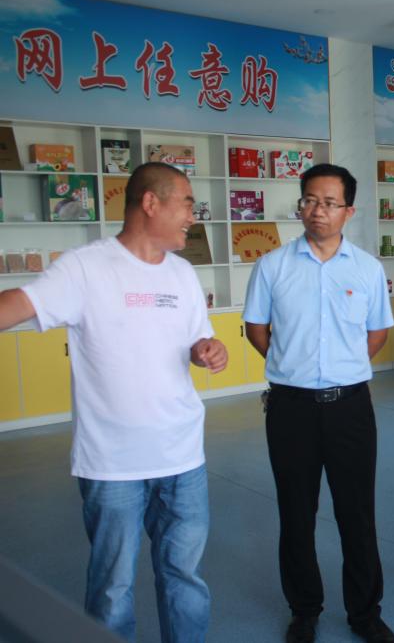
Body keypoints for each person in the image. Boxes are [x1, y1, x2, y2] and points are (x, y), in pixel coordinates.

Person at [0, 162, 227, 642]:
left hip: (183, 458)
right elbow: (17, 305)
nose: (193, 216)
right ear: (151, 202)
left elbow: (197, 339)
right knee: (111, 589)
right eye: (187, 204)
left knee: (185, 579)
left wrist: (209, 350)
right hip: (111, 465)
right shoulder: (85, 268)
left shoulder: (183, 273)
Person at [243, 164, 394, 643]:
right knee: (296, 513)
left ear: (349, 210)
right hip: (291, 409)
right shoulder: (272, 266)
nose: (317, 211)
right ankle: (304, 609)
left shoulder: (367, 269)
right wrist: (293, 366)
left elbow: (377, 333)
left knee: (357, 514)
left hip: (350, 408)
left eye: (329, 203)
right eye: (309, 200)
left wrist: (341, 368)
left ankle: (364, 613)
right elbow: (256, 328)